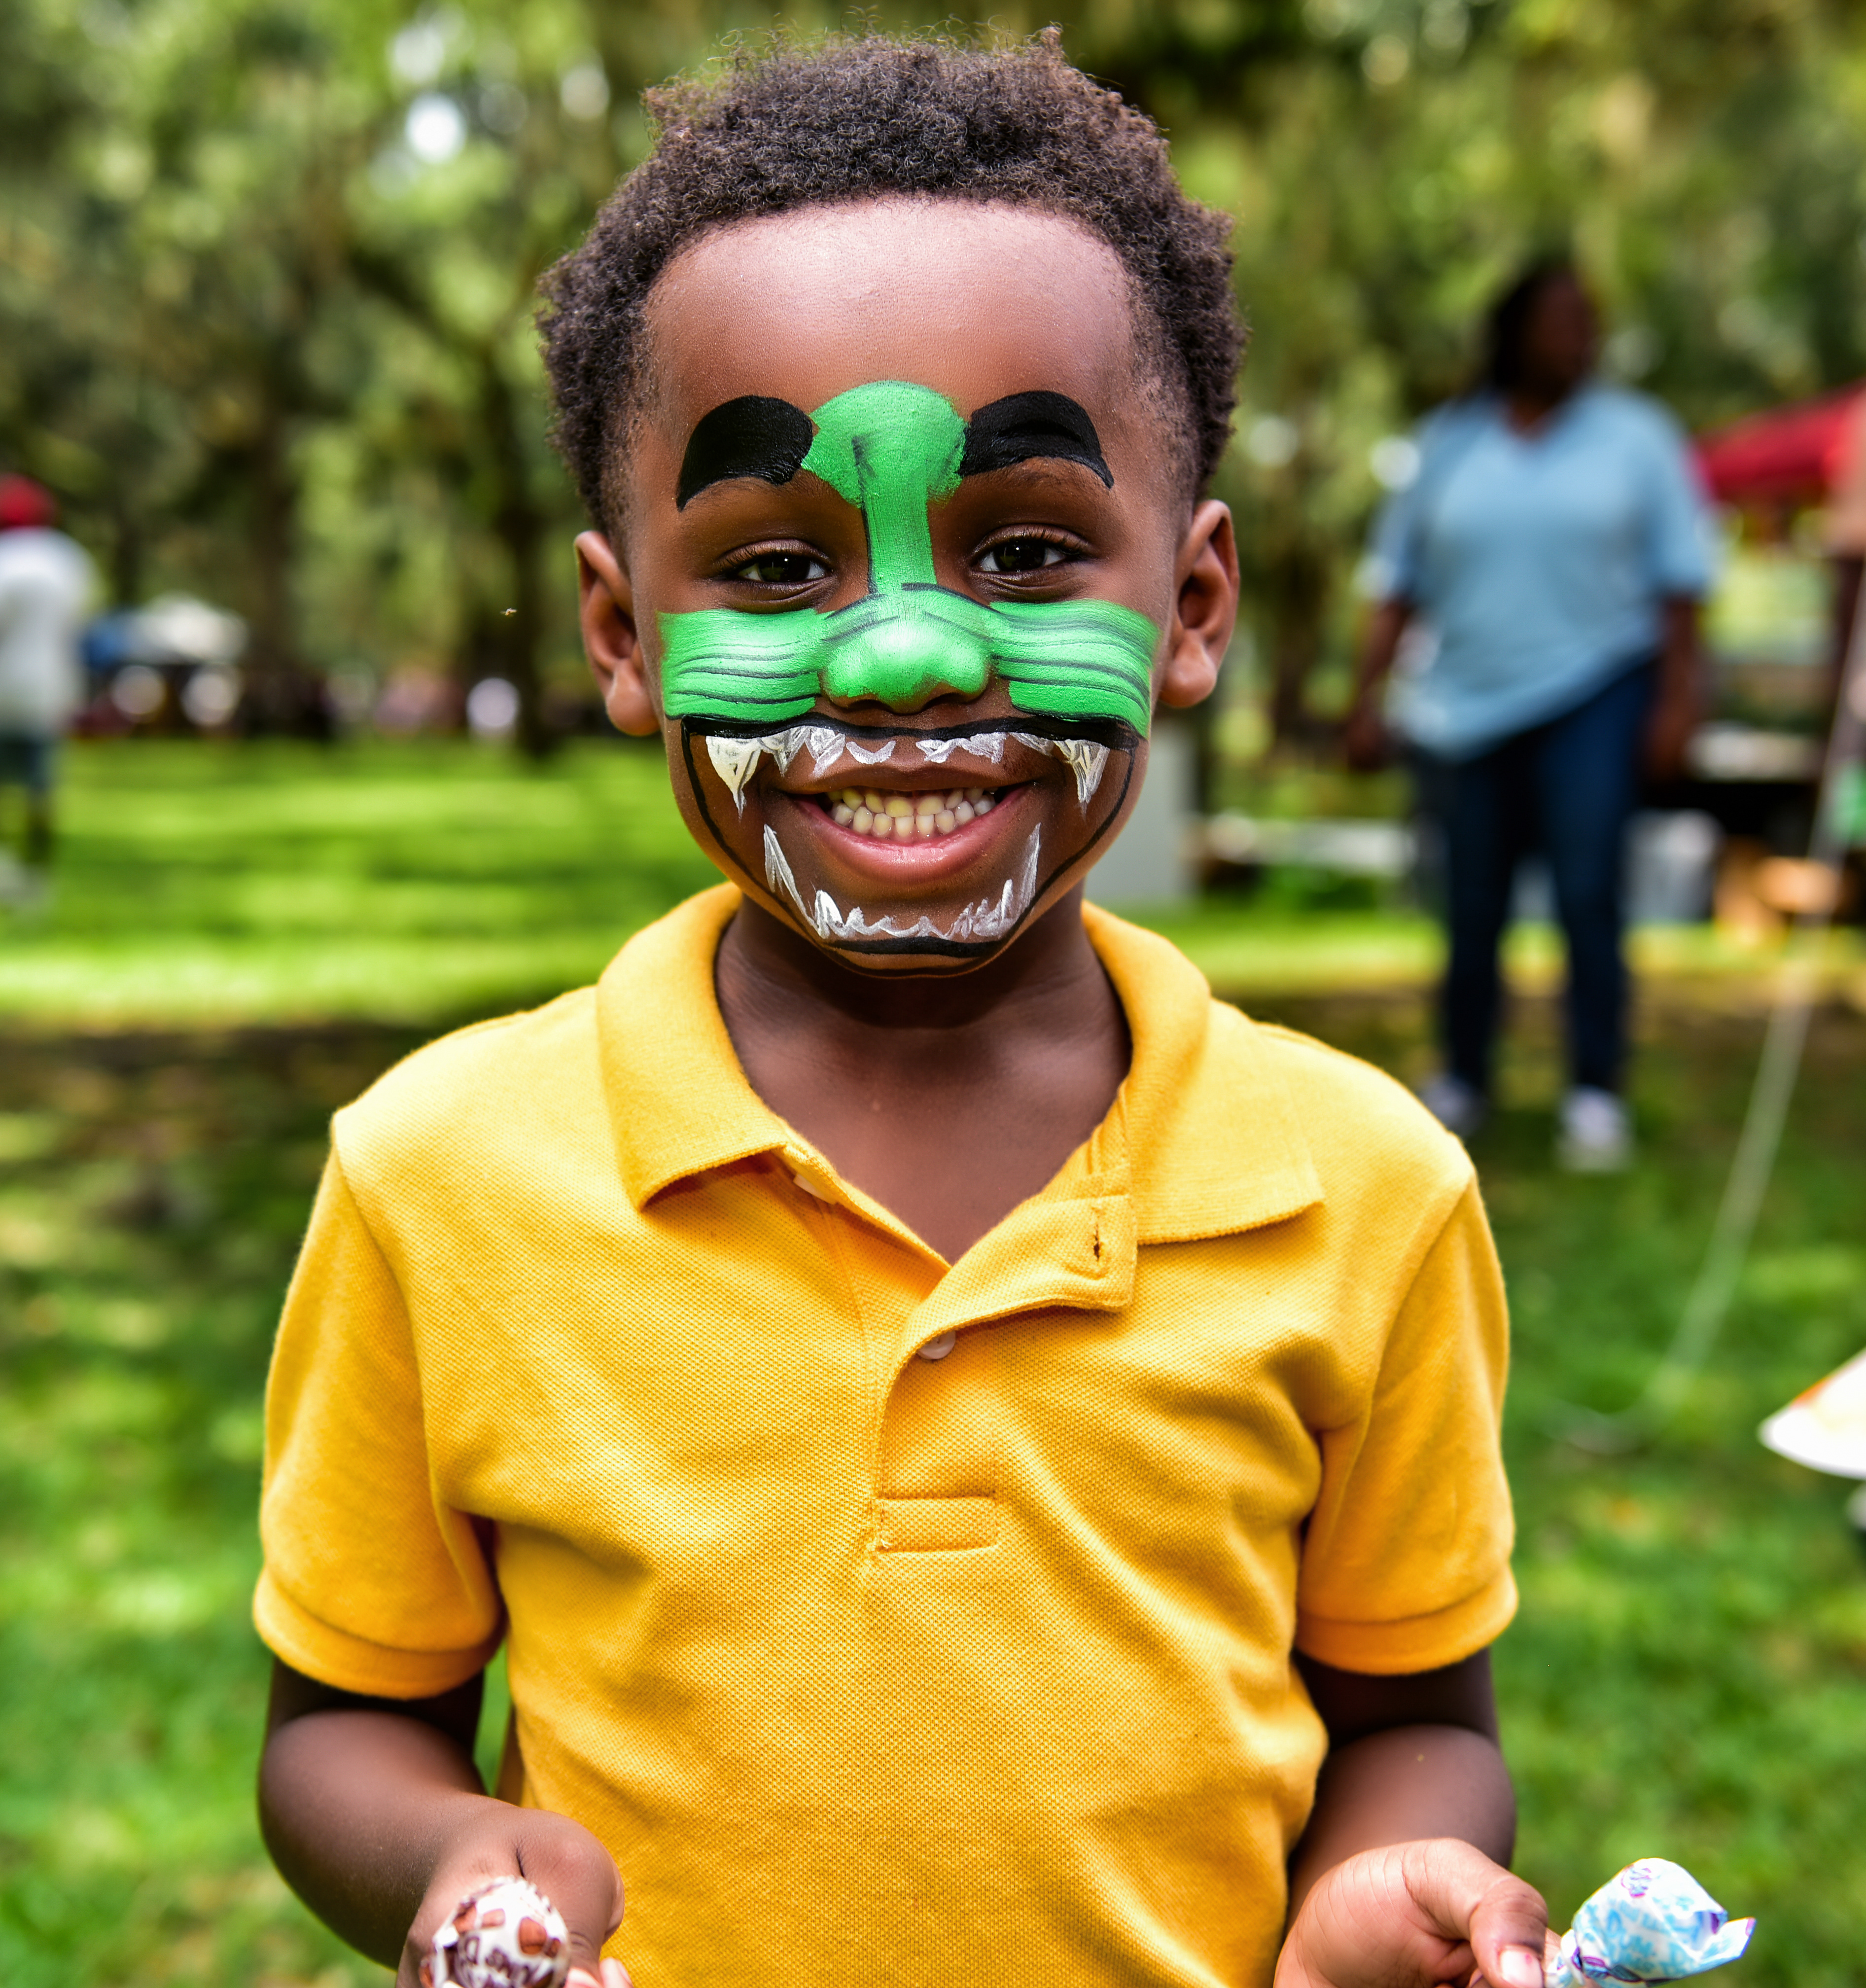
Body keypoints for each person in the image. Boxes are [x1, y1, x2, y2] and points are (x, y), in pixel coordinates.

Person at [254, 35, 1546, 1988]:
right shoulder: (442, 1180)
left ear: (1192, 609)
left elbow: (1424, 1719)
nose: (912, 650)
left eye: (1026, 549)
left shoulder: (1363, 1195)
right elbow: (340, 1725)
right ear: (625, 636)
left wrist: (1374, 1895)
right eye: (774, 569)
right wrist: (455, 1865)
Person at [1345, 259, 1712, 1170]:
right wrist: (1364, 699)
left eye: (1589, 320)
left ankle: (1596, 1089)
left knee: (1590, 892)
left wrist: (1677, 703)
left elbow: (1682, 588)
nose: (1579, 335)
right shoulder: (1449, 445)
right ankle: (1465, 1074)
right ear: (1512, 332)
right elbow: (1396, 587)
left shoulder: (1638, 439)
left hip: (1597, 688)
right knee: (1471, 902)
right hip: (1465, 706)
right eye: (1560, 318)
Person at [0, 473, 93, 903]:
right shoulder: (68, 560)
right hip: (51, 687)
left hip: (6, 687)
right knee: (40, 790)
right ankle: (36, 879)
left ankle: (9, 874)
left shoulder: (7, 560)